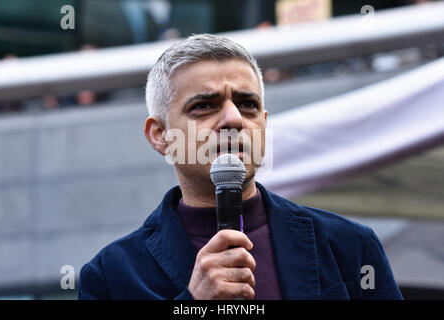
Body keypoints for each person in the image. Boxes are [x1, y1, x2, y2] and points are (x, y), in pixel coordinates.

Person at [78, 34, 403, 300]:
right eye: (204, 105)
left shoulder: (348, 247)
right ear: (160, 135)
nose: (233, 118)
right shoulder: (110, 277)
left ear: (263, 125)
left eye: (247, 104)